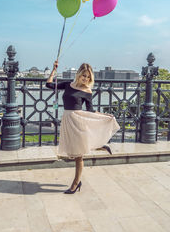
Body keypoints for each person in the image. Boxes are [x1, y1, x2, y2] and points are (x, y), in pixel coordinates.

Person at [46, 60, 120, 194]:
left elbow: (90, 110)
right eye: (84, 75)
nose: (85, 79)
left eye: (88, 77)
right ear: (79, 74)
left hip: (79, 120)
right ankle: (101, 146)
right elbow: (49, 84)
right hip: (68, 120)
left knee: (78, 155)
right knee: (73, 151)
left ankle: (75, 183)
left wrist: (105, 115)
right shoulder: (68, 85)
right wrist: (54, 70)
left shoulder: (87, 91)